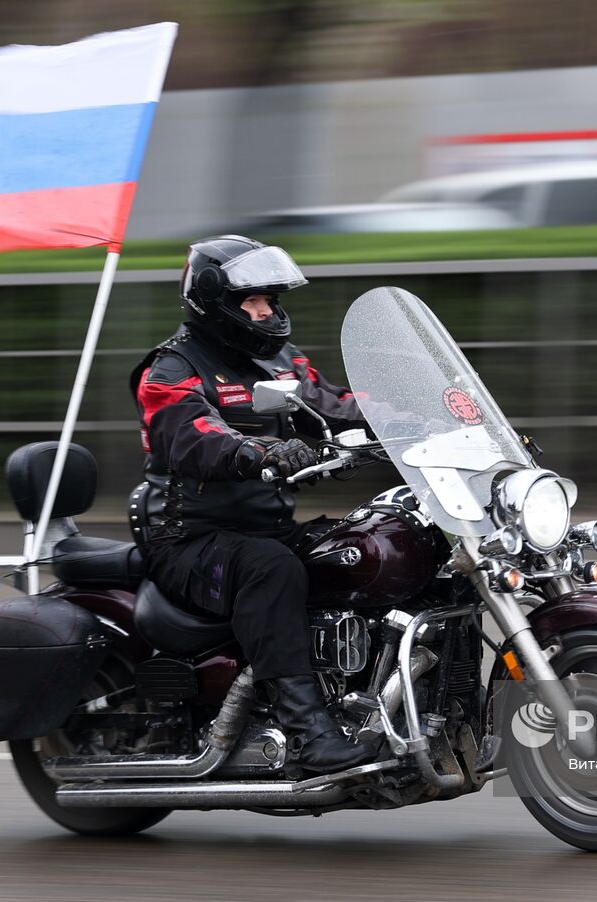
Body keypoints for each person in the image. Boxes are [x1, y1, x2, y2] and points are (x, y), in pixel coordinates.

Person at [128, 234, 376, 774]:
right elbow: (193, 435)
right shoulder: (171, 371)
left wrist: (425, 417)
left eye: (271, 300)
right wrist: (257, 448)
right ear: (215, 303)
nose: (266, 312)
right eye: (253, 302)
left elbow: (337, 406)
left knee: (367, 545)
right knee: (273, 569)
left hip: (262, 528)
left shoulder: (283, 362)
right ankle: (309, 733)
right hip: (188, 540)